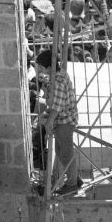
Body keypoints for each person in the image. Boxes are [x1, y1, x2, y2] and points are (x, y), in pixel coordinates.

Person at [35, 50, 79, 193]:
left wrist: (48, 122)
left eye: (41, 67)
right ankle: (75, 179)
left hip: (65, 120)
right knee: (61, 152)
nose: (40, 70)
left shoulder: (59, 79)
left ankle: (72, 185)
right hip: (63, 119)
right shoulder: (57, 77)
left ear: (48, 67)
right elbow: (52, 100)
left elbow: (57, 105)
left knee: (66, 153)